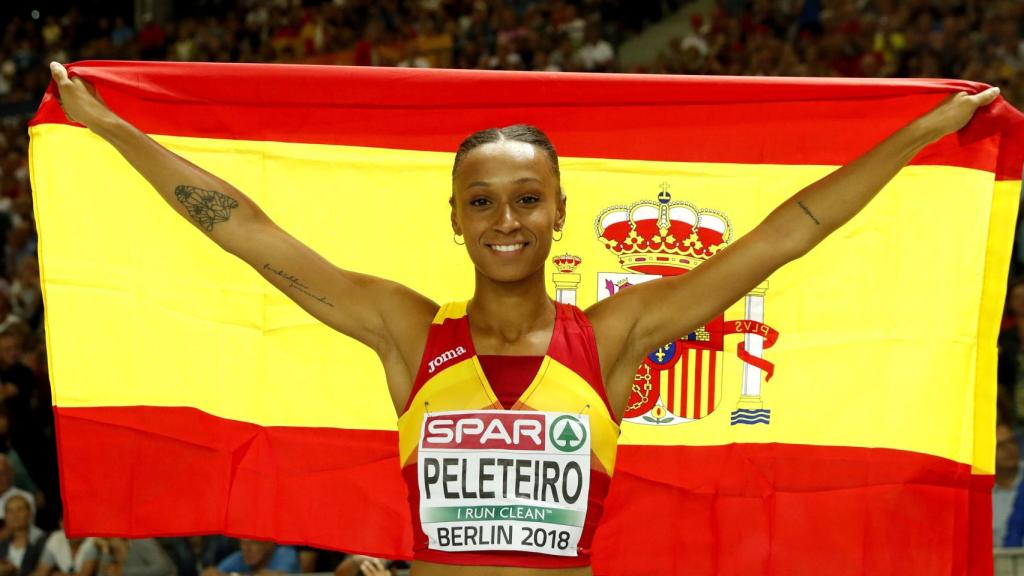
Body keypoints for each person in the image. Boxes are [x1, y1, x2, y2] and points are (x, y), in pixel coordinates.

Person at [47, 61, 999, 575]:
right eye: (483, 201)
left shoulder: (613, 336)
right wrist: (116, 127)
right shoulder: (410, 334)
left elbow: (787, 232)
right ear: (454, 217)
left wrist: (918, 133)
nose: (506, 220)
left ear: (559, 211)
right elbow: (249, 235)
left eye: (527, 199)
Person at [0, 495, 46, 576]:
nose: (15, 515)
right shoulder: (2, 544)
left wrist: (15, 571)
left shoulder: (43, 542)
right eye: (10, 511)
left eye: (20, 509)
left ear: (30, 514)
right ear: (5, 517)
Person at [31, 524, 97, 576]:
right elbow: (41, 572)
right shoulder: (56, 538)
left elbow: (85, 574)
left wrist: (54, 574)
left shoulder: (93, 540)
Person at [205, 540, 298, 576]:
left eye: (253, 543)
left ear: (270, 543)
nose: (246, 549)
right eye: (242, 543)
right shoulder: (239, 557)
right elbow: (216, 572)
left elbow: (279, 574)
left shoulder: (285, 554)